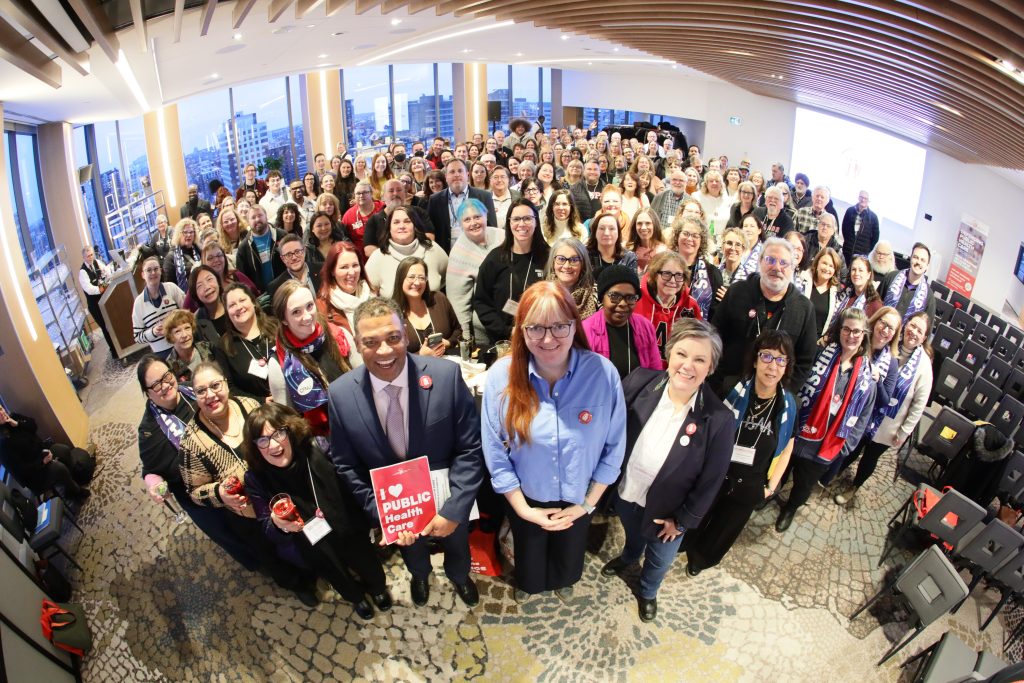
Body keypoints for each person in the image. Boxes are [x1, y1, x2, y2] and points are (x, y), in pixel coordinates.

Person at [329, 297, 485, 608]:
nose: (384, 351)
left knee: (458, 546)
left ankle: (459, 576)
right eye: (371, 342)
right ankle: (420, 576)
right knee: (413, 552)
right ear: (357, 344)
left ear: (405, 333)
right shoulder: (340, 394)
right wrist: (383, 514)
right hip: (397, 511)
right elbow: (346, 465)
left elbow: (470, 447)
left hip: (448, 497)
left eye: (393, 338)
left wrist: (454, 509)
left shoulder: (445, 376)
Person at [481, 281, 626, 603]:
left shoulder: (603, 374)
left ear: (575, 325)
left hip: (580, 497)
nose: (548, 339)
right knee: (529, 561)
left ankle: (564, 581)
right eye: (535, 328)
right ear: (522, 330)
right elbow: (494, 452)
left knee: (569, 558)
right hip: (526, 498)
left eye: (559, 326)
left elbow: (614, 448)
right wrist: (523, 510)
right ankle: (531, 584)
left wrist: (586, 505)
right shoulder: (501, 376)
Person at [599, 319, 733, 621]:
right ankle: (629, 557)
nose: (687, 366)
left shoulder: (719, 419)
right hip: (628, 492)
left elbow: (711, 482)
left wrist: (682, 522)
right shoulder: (639, 381)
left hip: (668, 515)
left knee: (659, 558)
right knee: (633, 534)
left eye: (699, 359)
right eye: (681, 354)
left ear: (711, 367)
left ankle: (648, 591)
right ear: (669, 353)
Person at [179, 362, 319, 605]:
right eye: (201, 391)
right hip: (248, 516)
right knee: (272, 556)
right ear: (195, 395)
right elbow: (193, 492)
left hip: (280, 494)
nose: (210, 395)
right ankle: (298, 584)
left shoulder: (248, 406)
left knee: (299, 536)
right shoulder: (192, 443)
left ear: (225, 383)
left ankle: (316, 567)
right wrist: (219, 493)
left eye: (215, 385)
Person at [241, 403, 390, 621]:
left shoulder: (318, 446)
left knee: (368, 563)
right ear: (255, 447)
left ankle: (378, 589)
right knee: (336, 575)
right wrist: (278, 525)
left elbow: (354, 480)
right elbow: (267, 528)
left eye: (278, 433)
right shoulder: (255, 479)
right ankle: (357, 598)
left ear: (290, 430)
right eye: (262, 440)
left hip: (348, 525)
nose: (273, 445)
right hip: (312, 543)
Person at [684, 331, 797, 575]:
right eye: (766, 356)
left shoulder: (788, 405)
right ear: (755, 360)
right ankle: (683, 544)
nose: (772, 366)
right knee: (698, 514)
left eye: (780, 359)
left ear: (787, 366)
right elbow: (705, 426)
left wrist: (770, 487)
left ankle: (700, 560)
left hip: (750, 483)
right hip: (716, 473)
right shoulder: (730, 388)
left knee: (724, 530)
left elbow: (788, 447)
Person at [136, 356, 262, 570]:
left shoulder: (193, 390)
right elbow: (150, 469)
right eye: (156, 384)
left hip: (232, 471)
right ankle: (256, 564)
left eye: (166, 376)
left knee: (253, 519)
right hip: (196, 493)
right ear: (147, 393)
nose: (165, 385)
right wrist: (153, 481)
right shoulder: (149, 431)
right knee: (229, 534)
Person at [775, 308, 877, 532]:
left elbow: (863, 416)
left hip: (825, 444)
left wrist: (846, 446)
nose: (851, 335)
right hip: (798, 430)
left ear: (864, 335)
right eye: (846, 329)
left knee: (804, 484)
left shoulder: (867, 378)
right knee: (781, 467)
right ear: (839, 330)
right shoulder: (820, 355)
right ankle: (771, 492)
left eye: (856, 331)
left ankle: (790, 508)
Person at [710, 238, 818, 395]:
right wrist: (719, 383)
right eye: (770, 260)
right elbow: (715, 337)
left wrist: (780, 394)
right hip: (724, 390)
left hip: (771, 400)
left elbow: (805, 361)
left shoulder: (804, 309)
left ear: (793, 268)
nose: (777, 267)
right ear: (760, 262)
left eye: (784, 263)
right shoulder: (737, 292)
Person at [269, 280, 349, 435]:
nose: (306, 316)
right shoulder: (279, 363)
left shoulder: (337, 334)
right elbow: (289, 421)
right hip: (322, 438)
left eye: (309, 306)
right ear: (284, 319)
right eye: (296, 312)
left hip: (356, 419)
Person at [474, 199, 550, 344]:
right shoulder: (495, 259)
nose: (521, 224)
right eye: (516, 219)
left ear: (536, 222)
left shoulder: (548, 257)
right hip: (503, 341)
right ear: (509, 223)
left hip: (541, 338)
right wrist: (507, 331)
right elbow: (481, 301)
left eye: (527, 218)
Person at [582, 265, 662, 378]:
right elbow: (583, 377)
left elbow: (655, 372)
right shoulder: (586, 331)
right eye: (615, 296)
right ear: (602, 298)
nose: (623, 303)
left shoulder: (645, 327)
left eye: (630, 297)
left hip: (640, 389)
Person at [0, 404, 92, 500]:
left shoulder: (13, 417)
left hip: (42, 452)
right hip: (35, 474)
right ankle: (76, 492)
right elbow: (22, 472)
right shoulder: (3, 445)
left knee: (63, 450)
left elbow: (33, 425)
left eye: (1, 409)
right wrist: (43, 462)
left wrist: (18, 424)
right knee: (59, 468)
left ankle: (71, 482)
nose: (1, 413)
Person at [446, 199, 505, 347]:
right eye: (467, 220)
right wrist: (465, 339)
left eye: (477, 217)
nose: (473, 223)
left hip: (513, 317)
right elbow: (458, 302)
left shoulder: (503, 236)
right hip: (484, 328)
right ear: (460, 224)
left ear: (486, 215)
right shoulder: (458, 254)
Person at [364, 207, 448, 298]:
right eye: (396, 222)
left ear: (415, 226)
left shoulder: (432, 249)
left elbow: (448, 278)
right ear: (389, 228)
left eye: (407, 221)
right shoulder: (378, 257)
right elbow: (367, 293)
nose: (402, 226)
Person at [214, 283, 278, 401]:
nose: (239, 307)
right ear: (227, 312)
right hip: (258, 409)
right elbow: (229, 388)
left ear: (253, 302)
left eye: (242, 300)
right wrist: (261, 401)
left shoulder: (276, 326)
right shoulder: (224, 346)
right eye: (232, 305)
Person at [316, 241, 373, 369]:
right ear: (332, 271)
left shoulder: (372, 295)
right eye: (344, 267)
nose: (351, 272)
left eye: (355, 265)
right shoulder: (322, 307)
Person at [392, 257, 462, 356]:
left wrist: (448, 342)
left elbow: (458, 330)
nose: (417, 282)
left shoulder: (438, 299)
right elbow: (392, 355)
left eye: (421, 278)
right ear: (400, 279)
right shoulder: (391, 313)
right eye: (411, 277)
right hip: (413, 366)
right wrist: (420, 355)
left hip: (446, 362)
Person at [426, 159, 498, 254]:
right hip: (445, 253)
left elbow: (492, 228)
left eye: (460, 171)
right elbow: (431, 230)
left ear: (467, 174)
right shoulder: (435, 200)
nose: (456, 174)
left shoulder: (484, 196)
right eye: (452, 172)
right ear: (446, 177)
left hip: (477, 252)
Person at [133, 256, 185, 357]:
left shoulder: (171, 288)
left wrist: (176, 317)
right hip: (162, 354)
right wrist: (153, 332)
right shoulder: (138, 303)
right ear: (143, 275)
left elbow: (188, 311)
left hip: (182, 342)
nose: (153, 273)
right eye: (149, 270)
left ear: (160, 271)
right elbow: (137, 337)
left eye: (156, 269)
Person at [673, 215, 722, 320]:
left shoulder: (712, 273)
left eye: (695, 236)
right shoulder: (664, 266)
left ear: (701, 241)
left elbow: (716, 313)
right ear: (677, 236)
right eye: (685, 233)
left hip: (699, 328)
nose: (689, 239)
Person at [880, 242, 936, 323]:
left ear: (927, 266)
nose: (918, 262)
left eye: (923, 260)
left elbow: (927, 328)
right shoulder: (891, 277)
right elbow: (874, 303)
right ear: (911, 258)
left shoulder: (929, 297)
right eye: (916, 257)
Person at [235, 205, 286, 294]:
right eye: (253, 217)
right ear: (248, 222)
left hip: (285, 288)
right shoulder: (243, 248)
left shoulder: (282, 236)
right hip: (262, 295)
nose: (257, 219)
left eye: (260, 215)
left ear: (266, 216)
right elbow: (242, 278)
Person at [545, 237, 598, 320]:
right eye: (561, 259)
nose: (567, 266)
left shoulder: (596, 294)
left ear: (583, 264)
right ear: (553, 262)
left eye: (574, 260)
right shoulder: (542, 294)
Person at [798, 247, 844, 342]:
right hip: (797, 335)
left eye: (831, 266)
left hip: (817, 343)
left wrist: (826, 338)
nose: (827, 268)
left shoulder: (837, 293)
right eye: (824, 263)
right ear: (817, 263)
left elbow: (836, 322)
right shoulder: (802, 281)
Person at [78, 245, 117, 352]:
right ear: (84, 258)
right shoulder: (82, 272)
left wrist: (107, 277)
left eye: (91, 255)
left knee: (111, 323)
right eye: (88, 256)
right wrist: (100, 289)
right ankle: (114, 351)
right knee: (105, 327)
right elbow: (89, 289)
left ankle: (119, 346)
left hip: (104, 300)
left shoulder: (98, 263)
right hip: (95, 305)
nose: (90, 257)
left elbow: (107, 272)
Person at [163, 309, 215, 383]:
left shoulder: (208, 347)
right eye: (177, 331)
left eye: (187, 328)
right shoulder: (169, 366)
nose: (184, 335)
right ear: (170, 337)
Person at [267, 233, 323, 302]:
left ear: (304, 251)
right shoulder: (276, 287)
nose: (294, 257)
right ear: (282, 259)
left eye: (297, 252)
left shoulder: (322, 269)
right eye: (288, 255)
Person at [588, 210, 638, 279]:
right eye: (602, 228)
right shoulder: (585, 255)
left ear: (618, 233)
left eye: (612, 229)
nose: (606, 233)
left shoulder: (629, 257)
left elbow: (632, 284)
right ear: (595, 232)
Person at [186, 264, 229, 342]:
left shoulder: (235, 304)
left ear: (218, 281)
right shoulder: (196, 323)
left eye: (209, 279)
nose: (207, 287)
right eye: (199, 286)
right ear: (195, 294)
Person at [841, 191, 880, 264]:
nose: (863, 200)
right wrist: (848, 243)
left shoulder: (873, 217)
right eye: (861, 197)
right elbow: (844, 229)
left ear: (868, 201)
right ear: (858, 198)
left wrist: (867, 251)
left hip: (862, 256)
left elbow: (875, 238)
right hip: (847, 251)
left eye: (865, 198)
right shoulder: (850, 211)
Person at [162, 219, 201, 291]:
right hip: (184, 295)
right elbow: (169, 286)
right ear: (178, 234)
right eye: (185, 232)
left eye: (191, 232)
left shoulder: (199, 249)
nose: (189, 235)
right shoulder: (171, 257)